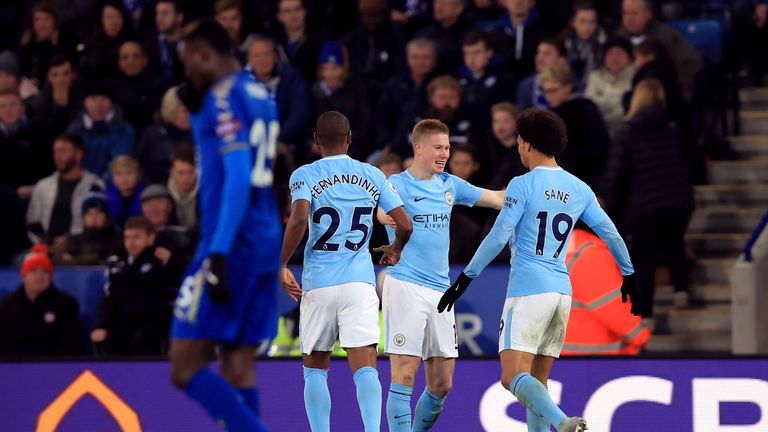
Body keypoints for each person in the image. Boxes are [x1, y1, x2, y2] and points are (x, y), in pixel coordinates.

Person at [436, 108, 641, 432]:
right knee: (537, 381)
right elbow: (611, 234)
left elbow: (498, 236)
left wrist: (465, 278)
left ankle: (561, 422)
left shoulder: (523, 184)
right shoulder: (579, 188)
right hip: (561, 293)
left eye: (519, 141)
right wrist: (628, 274)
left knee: (510, 377)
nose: (518, 147)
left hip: (528, 290)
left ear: (528, 144)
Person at [169, 19, 281, 432]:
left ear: (202, 54)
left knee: (183, 367)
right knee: (238, 366)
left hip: (231, 241)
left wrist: (218, 251)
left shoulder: (223, 96)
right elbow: (223, 154)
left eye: (187, 62)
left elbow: (236, 173)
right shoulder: (261, 93)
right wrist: (197, 118)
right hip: (264, 239)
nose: (186, 72)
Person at [280, 111, 413, 432]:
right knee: (365, 366)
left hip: (319, 283)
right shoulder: (373, 175)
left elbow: (298, 219)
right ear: (350, 138)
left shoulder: (304, 174)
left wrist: (281, 264)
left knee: (314, 368)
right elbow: (405, 224)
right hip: (359, 283)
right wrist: (395, 249)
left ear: (315, 141)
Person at [381, 119, 504, 431]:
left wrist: (532, 188)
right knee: (404, 374)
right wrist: (388, 216)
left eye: (447, 147)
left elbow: (496, 198)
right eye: (438, 147)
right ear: (418, 148)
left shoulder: (450, 184)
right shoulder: (397, 184)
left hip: (441, 291)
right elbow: (381, 211)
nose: (445, 153)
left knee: (442, 384)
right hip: (405, 284)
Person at [602, 79, 694, 320]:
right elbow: (688, 163)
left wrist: (608, 205)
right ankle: (681, 291)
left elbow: (616, 173)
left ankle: (646, 316)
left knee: (644, 260)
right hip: (678, 201)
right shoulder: (674, 129)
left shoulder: (627, 132)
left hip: (644, 205)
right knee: (675, 244)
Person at [91, 216, 177, 355]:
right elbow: (109, 298)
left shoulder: (161, 260)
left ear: (150, 238)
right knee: (109, 341)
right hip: (123, 324)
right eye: (127, 237)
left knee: (141, 339)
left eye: (137, 237)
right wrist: (101, 325)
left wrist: (173, 259)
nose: (131, 242)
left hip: (152, 323)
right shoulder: (118, 264)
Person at [561, 228, 651, 355]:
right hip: (596, 361)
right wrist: (641, 337)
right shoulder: (589, 255)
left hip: (561, 359)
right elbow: (614, 308)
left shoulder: (545, 253)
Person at [0, 245, 81, 356]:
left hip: (53, 367)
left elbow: (70, 345)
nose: (39, 277)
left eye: (45, 272)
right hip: (13, 367)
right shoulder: (7, 306)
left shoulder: (65, 304)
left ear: (51, 277)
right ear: (23, 276)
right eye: (33, 272)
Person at [26, 132, 105, 247]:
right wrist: (43, 243)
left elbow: (99, 224)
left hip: (81, 248)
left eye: (63, 151)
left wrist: (70, 241)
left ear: (79, 154)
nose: (57, 156)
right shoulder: (43, 186)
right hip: (44, 248)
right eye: (55, 152)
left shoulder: (95, 185)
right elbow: (32, 221)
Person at [540, 64, 611, 190]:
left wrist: (571, 160)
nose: (549, 95)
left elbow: (600, 145)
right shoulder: (547, 116)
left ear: (568, 88)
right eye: (545, 91)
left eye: (553, 90)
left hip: (587, 179)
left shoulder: (584, 109)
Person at [584, 37, 635, 136]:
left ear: (629, 56)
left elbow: (632, 110)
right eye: (610, 53)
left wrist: (602, 102)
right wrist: (621, 101)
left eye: (619, 52)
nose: (614, 57)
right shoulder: (595, 77)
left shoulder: (636, 77)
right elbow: (589, 107)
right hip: (599, 132)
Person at [56, 191, 122, 265]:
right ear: (83, 217)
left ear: (106, 216)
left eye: (98, 213)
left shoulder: (117, 240)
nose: (94, 217)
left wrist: (75, 260)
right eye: (89, 213)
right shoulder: (74, 241)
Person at [105, 155, 145, 228]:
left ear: (138, 175)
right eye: (118, 174)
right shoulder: (105, 197)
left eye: (129, 173)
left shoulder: (146, 196)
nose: (124, 179)